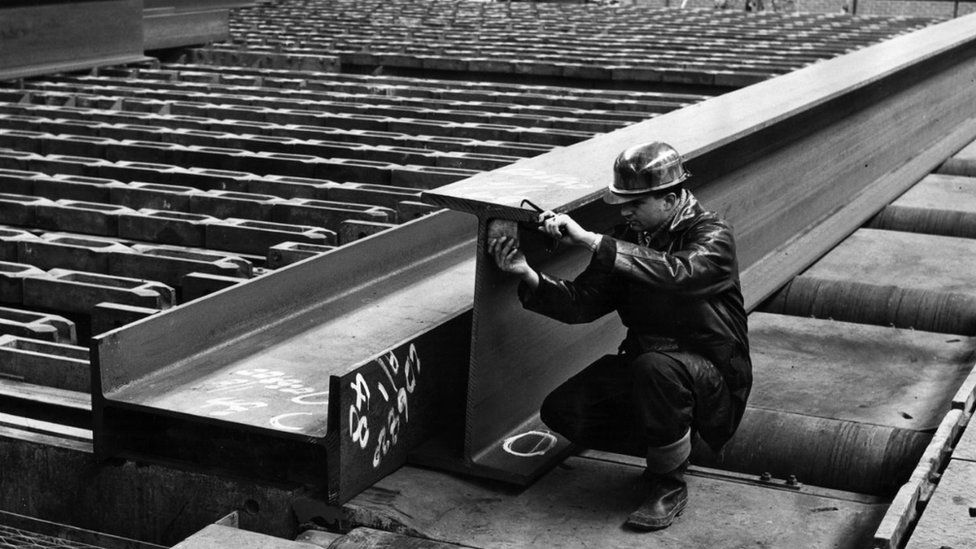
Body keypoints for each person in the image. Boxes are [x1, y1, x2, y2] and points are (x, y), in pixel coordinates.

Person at [487, 141, 751, 531]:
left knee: (656, 369)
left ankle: (669, 482)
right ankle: (670, 445)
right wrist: (527, 275)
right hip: (650, 368)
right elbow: (584, 303)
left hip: (709, 376)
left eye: (635, 203)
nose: (625, 212)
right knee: (562, 410)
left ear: (672, 198)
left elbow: (679, 273)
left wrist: (592, 240)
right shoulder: (631, 236)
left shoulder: (712, 234)